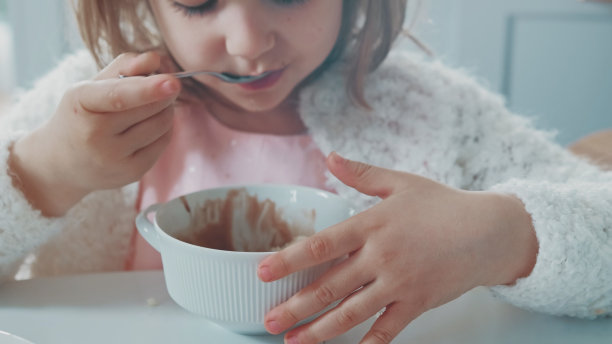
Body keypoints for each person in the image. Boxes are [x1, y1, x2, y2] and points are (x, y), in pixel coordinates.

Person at [0, 0, 610, 343]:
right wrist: (42, 174)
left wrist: (499, 236)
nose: (247, 42)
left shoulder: (433, 112)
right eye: (196, 0)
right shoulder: (89, 105)